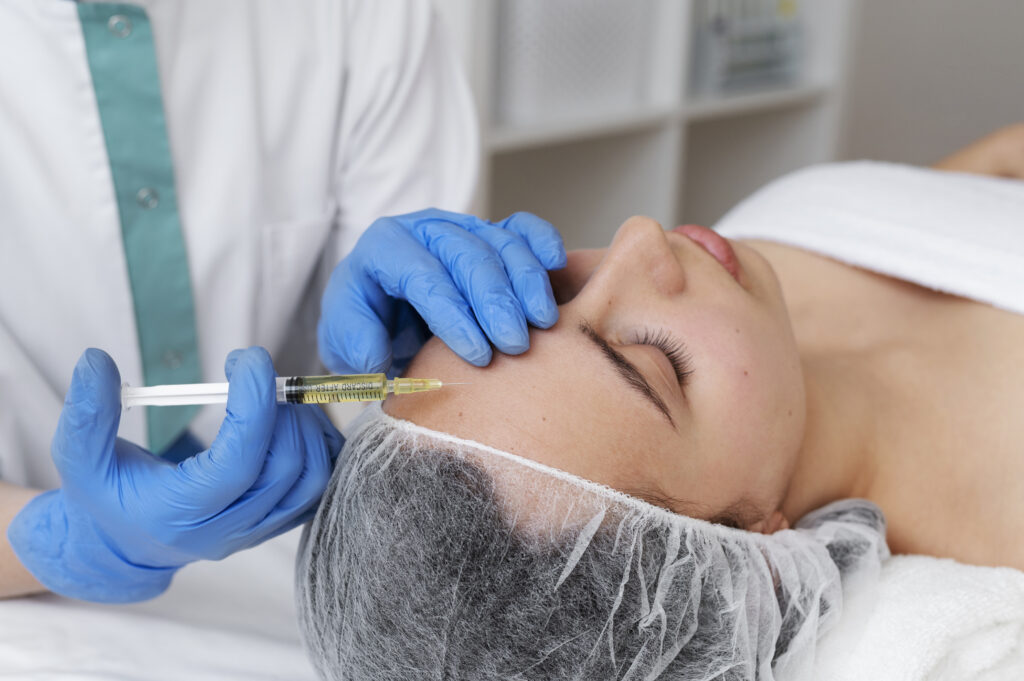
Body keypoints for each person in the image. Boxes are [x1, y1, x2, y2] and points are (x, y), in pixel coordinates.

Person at [293, 124, 1024, 679]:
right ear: (758, 556)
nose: (638, 239)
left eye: (553, 292)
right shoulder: (1002, 518)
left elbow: (983, 181)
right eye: (651, 356)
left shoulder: (748, 303)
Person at [0, 1, 568, 603]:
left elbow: (442, 394)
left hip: (299, 548)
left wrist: (397, 343)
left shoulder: (366, 18)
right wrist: (64, 542)